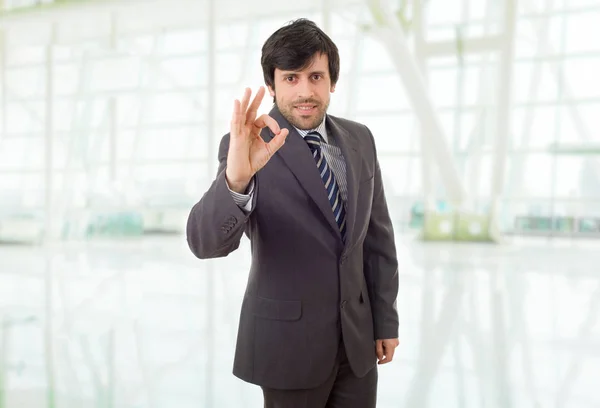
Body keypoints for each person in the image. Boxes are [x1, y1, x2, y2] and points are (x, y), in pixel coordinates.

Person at [186, 18, 399, 408]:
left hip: (358, 345)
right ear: (271, 85)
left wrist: (385, 320)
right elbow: (205, 243)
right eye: (291, 78)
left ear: (332, 81)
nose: (305, 91)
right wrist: (236, 179)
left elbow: (377, 239)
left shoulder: (360, 139)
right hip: (289, 345)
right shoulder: (247, 145)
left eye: (316, 76)